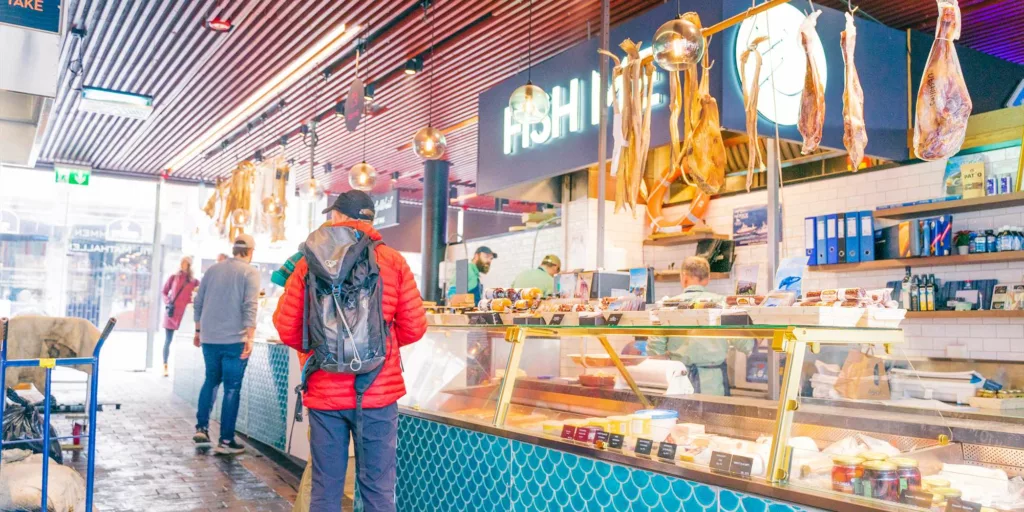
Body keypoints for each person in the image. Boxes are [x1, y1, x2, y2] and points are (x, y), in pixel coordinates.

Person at [273, 190, 427, 512]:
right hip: (377, 393)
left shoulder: (308, 261)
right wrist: (380, 340)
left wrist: (318, 348)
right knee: (377, 488)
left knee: (326, 489)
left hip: (324, 393)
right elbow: (414, 327)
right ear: (370, 219)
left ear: (340, 217)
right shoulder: (394, 261)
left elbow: (287, 329)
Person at [191, 234, 261, 455]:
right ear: (250, 251)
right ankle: (226, 441)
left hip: (210, 338)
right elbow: (250, 306)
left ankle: (202, 428)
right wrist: (250, 337)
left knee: (211, 379)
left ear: (233, 250)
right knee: (232, 387)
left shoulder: (213, 269)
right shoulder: (250, 272)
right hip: (235, 340)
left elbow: (199, 301)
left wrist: (198, 330)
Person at [648, 256, 752, 396]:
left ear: (684, 277)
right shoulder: (721, 304)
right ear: (707, 278)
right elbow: (744, 342)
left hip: (679, 382)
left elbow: (655, 350)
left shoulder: (668, 306)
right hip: (714, 385)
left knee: (683, 418)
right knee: (716, 417)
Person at [161, 256, 199, 377]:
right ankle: (165, 365)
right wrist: (168, 302)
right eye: (182, 262)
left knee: (185, 342)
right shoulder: (174, 277)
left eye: (186, 263)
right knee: (168, 340)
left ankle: (184, 369)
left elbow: (198, 295)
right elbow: (164, 291)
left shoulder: (195, 281)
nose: (183, 264)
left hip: (185, 316)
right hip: (172, 314)